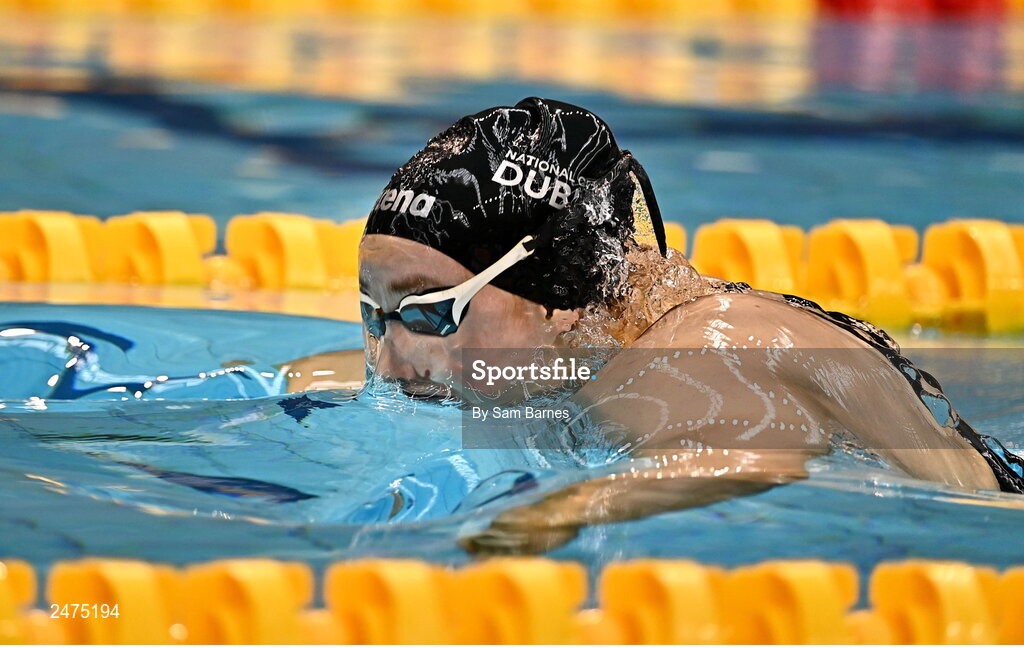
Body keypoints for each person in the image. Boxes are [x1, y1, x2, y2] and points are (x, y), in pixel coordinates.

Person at [356, 97, 1024, 554]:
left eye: (429, 313)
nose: (389, 362)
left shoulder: (690, 353)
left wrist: (551, 516)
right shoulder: (587, 345)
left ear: (556, 297)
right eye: (375, 315)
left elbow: (761, 452)